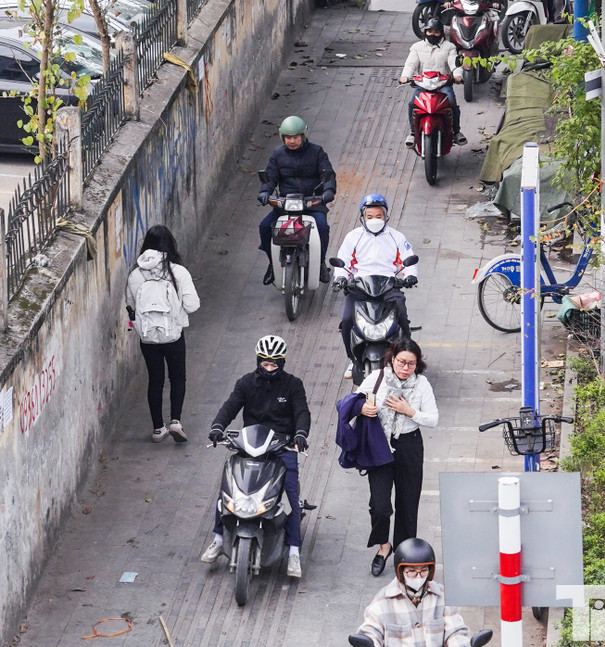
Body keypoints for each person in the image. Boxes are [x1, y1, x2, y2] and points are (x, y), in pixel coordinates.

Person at [201, 335, 310, 578]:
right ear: (258, 361)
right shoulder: (245, 383)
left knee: (292, 498)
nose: (269, 368)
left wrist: (301, 434)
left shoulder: (293, 385)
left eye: (274, 364)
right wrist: (218, 426)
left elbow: (302, 412)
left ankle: (294, 552)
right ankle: (218, 539)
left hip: (282, 448)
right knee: (226, 491)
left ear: (282, 363)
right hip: (249, 446)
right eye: (265, 363)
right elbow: (230, 406)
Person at [358, 339, 439, 576]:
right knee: (379, 506)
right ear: (392, 359)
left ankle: (404, 552)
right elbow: (355, 400)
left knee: (408, 504)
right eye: (401, 362)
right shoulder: (377, 378)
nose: (405, 368)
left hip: (409, 445)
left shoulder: (421, 384)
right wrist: (363, 408)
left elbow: (433, 419)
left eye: (411, 364)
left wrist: (409, 411)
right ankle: (384, 546)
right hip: (380, 446)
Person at [125, 225, 201, 444]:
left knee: (155, 380)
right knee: (177, 377)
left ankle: (158, 428)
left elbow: (131, 306)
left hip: (148, 338)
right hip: (173, 335)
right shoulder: (178, 272)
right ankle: (175, 421)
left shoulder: (135, 274)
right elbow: (192, 305)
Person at [334, 194, 420, 375]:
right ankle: (352, 358)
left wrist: (410, 276)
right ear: (363, 217)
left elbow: (408, 259)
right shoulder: (353, 237)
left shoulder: (396, 237)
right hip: (359, 287)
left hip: (389, 286)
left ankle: (408, 356)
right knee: (347, 319)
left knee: (402, 315)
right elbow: (343, 261)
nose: (374, 220)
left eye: (379, 216)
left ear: (386, 216)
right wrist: (341, 278)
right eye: (370, 216)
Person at [257, 116, 335, 285]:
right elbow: (270, 177)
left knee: (322, 227)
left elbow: (327, 173)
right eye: (288, 138)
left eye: (296, 137)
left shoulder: (317, 152)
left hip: (312, 203)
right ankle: (272, 263)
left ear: (303, 136)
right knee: (265, 227)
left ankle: (321, 263)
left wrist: (328, 190)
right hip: (286, 204)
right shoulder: (277, 155)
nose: (292, 141)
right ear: (282, 137)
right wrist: (265, 191)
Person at [352, 537, 472, 647]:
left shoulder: (442, 596)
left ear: (430, 570)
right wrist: (370, 642)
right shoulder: (383, 600)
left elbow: (455, 631)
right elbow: (370, 631)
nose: (418, 576)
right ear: (400, 571)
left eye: (423, 570)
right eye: (412, 571)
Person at [400, 18, 466, 147]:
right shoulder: (417, 47)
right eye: (430, 31)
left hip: (443, 85)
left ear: (441, 33)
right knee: (412, 104)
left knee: (452, 102)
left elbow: (454, 63)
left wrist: (457, 75)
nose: (432, 34)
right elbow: (410, 64)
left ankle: (456, 132)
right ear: (425, 32)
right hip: (422, 85)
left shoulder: (449, 47)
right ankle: (413, 132)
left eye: (436, 32)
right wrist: (405, 76)